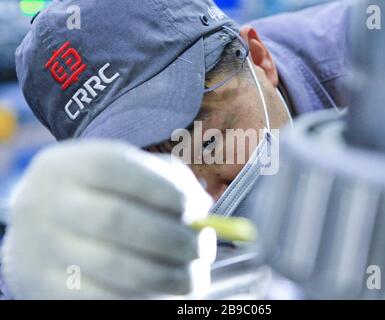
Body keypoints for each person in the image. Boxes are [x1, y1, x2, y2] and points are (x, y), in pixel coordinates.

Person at [1, 0, 350, 299]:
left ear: (260, 59)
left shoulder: (383, 72)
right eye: (159, 172)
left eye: (209, 143)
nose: (207, 204)